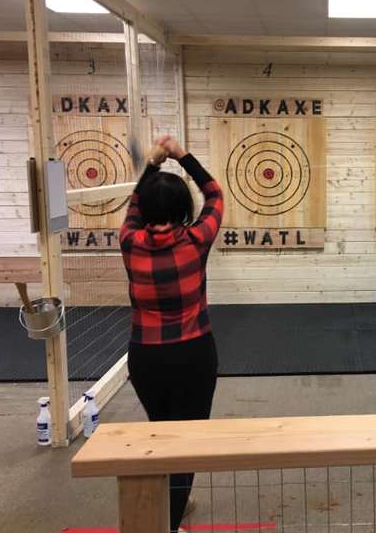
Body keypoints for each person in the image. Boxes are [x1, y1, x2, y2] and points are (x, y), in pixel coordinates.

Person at [120, 136, 223, 533]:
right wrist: (181, 156)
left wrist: (152, 164)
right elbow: (214, 194)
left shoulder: (129, 241)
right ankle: (169, 522)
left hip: (146, 359)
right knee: (187, 442)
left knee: (162, 432)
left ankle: (173, 503)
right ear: (182, 210)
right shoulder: (196, 240)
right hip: (193, 355)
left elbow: (134, 204)